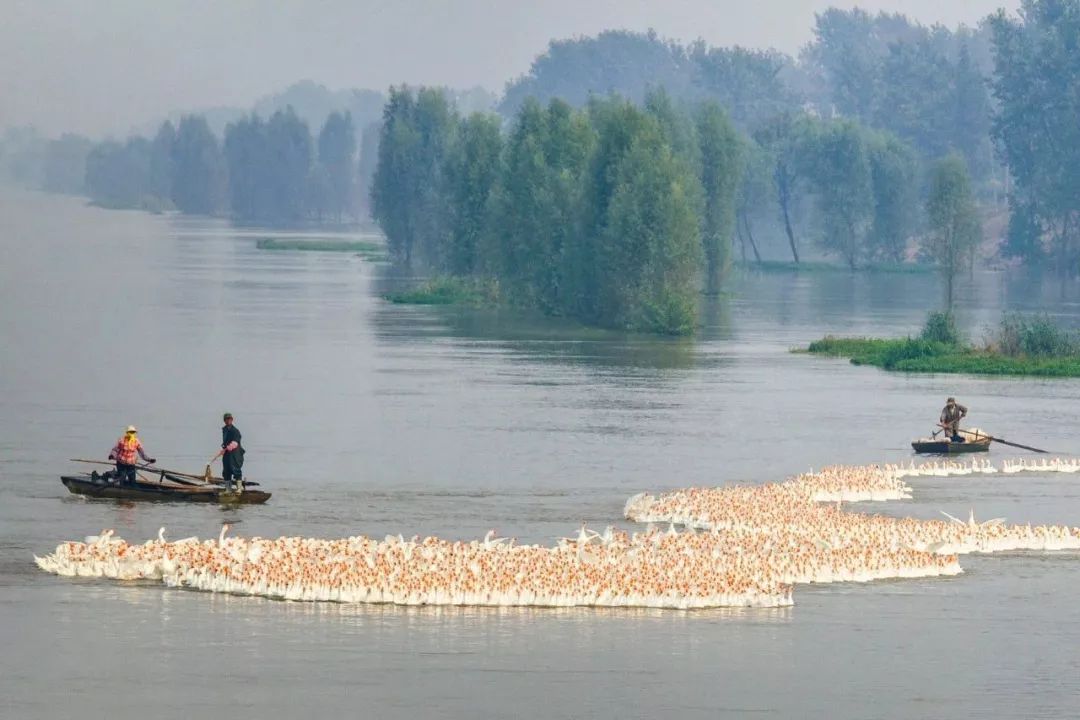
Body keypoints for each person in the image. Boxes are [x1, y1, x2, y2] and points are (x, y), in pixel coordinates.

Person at [213, 412, 245, 491]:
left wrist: (228, 447)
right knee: (226, 471)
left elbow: (235, 442)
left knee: (235, 469)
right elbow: (225, 442)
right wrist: (223, 449)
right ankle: (228, 490)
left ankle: (239, 489)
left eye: (229, 419)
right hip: (227, 454)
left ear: (232, 420)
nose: (228, 420)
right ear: (224, 421)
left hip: (235, 454)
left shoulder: (235, 431)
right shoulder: (224, 430)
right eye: (226, 419)